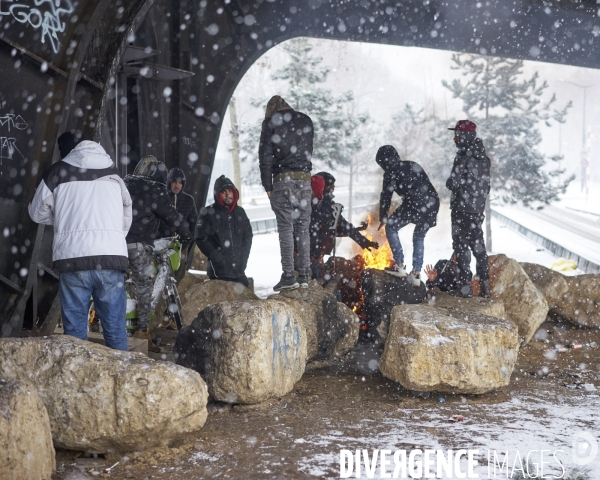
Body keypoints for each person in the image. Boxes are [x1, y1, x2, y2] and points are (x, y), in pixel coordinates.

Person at [28, 132, 132, 350]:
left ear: (66, 151)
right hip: (111, 258)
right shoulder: (114, 174)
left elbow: (36, 213)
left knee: (74, 333)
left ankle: (79, 379)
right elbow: (126, 215)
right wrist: (111, 240)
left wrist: (64, 217)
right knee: (114, 326)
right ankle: (123, 376)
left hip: (73, 258)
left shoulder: (57, 172)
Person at [124, 156, 191, 343]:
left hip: (115, 242)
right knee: (144, 286)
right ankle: (142, 331)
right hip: (137, 244)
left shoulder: (125, 184)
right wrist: (186, 233)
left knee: (117, 282)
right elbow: (171, 215)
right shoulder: (155, 190)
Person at [259, 95, 313, 290]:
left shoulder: (270, 123)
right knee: (303, 228)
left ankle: (289, 275)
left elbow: (264, 156)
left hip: (282, 182)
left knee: (285, 228)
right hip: (305, 181)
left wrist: (267, 186)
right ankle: (305, 275)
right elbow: (309, 151)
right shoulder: (305, 120)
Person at [376, 145, 439, 287]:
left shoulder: (390, 172)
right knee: (419, 236)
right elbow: (426, 185)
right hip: (432, 203)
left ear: (383, 162)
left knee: (391, 227)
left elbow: (386, 196)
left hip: (414, 203)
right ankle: (416, 273)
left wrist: (383, 217)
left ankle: (399, 265)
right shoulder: (412, 164)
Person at [446, 120, 491, 298]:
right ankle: (485, 286)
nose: (455, 138)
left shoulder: (463, 156)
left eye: (457, 134)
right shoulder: (483, 157)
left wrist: (451, 183)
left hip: (461, 208)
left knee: (461, 246)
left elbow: (453, 182)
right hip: (477, 209)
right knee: (478, 246)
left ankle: (465, 288)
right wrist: (477, 201)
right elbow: (486, 186)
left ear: (464, 136)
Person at [308, 172, 378, 279]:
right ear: (324, 187)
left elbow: (340, 229)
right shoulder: (316, 207)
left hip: (314, 257)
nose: (333, 189)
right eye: (331, 187)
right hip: (308, 258)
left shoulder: (329, 207)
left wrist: (364, 241)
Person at [196, 175, 252, 287]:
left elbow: (247, 236)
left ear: (234, 193)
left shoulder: (240, 212)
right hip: (217, 272)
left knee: (245, 301)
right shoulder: (207, 213)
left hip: (239, 271)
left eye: (230, 191)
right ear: (218, 195)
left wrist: (243, 258)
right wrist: (217, 258)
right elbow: (201, 238)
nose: (228, 195)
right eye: (223, 192)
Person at [159, 167, 198, 274]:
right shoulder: (161, 197)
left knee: (178, 276)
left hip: (180, 246)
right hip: (161, 246)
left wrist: (187, 240)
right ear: (169, 182)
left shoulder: (188, 200)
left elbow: (194, 223)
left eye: (180, 182)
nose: (177, 185)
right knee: (159, 276)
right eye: (174, 182)